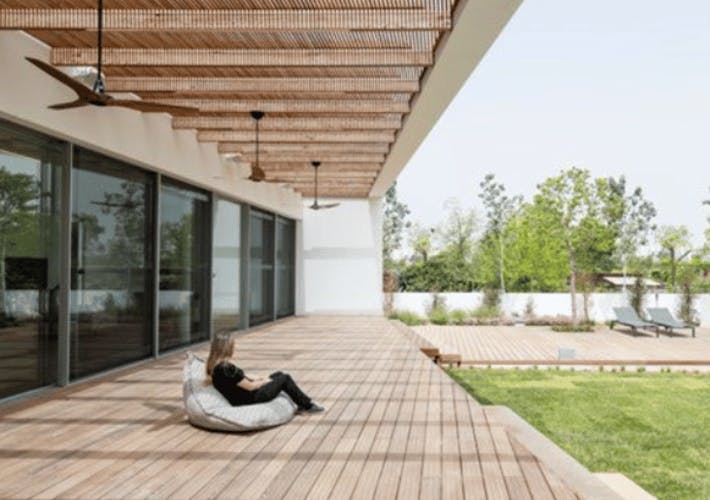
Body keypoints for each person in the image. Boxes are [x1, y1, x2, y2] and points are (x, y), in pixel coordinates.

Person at [206, 332, 324, 413]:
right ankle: (307, 405)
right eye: (232, 345)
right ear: (227, 348)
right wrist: (264, 381)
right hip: (251, 398)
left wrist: (260, 378)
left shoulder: (215, 367)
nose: (234, 348)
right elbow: (251, 387)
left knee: (278, 374)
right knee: (285, 378)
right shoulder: (226, 368)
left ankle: (302, 402)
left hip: (243, 396)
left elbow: (240, 379)